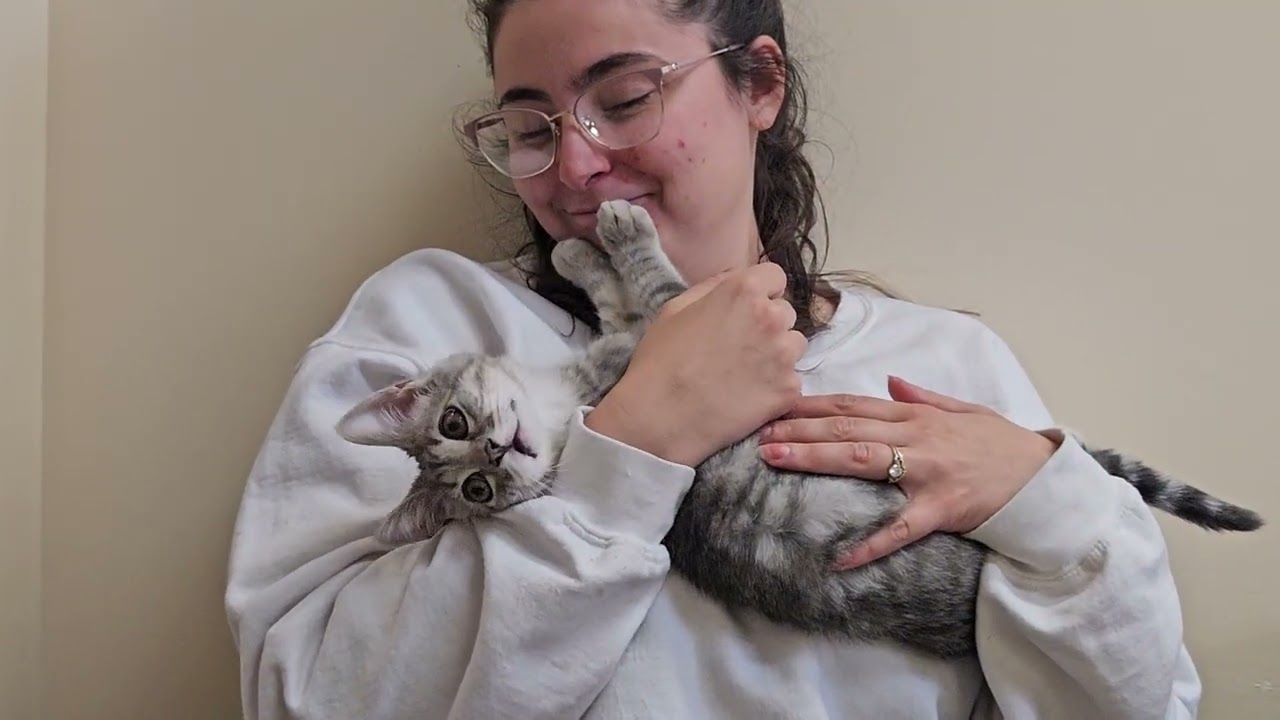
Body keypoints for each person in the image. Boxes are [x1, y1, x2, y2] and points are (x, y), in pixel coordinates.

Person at [223, 0, 1203, 717]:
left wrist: (1047, 498)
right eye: (530, 128)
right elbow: (305, 699)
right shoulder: (438, 328)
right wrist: (639, 437)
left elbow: (1138, 705)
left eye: (623, 96)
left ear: (760, 84)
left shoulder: (938, 359)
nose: (572, 165)